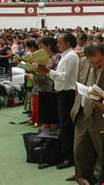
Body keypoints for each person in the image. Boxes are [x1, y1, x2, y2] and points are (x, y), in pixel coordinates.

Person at [69, 40, 104, 184]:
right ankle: (83, 178)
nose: (96, 65)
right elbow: (79, 84)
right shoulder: (82, 63)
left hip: (102, 118)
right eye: (93, 63)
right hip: (82, 113)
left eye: (99, 61)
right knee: (80, 151)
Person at [39, 33, 79, 170]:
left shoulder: (70, 57)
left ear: (68, 43)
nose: (57, 44)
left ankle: (70, 157)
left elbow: (65, 77)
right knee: (64, 125)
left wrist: (48, 72)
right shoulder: (65, 56)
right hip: (63, 93)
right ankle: (66, 153)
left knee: (67, 126)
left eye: (60, 42)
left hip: (67, 93)